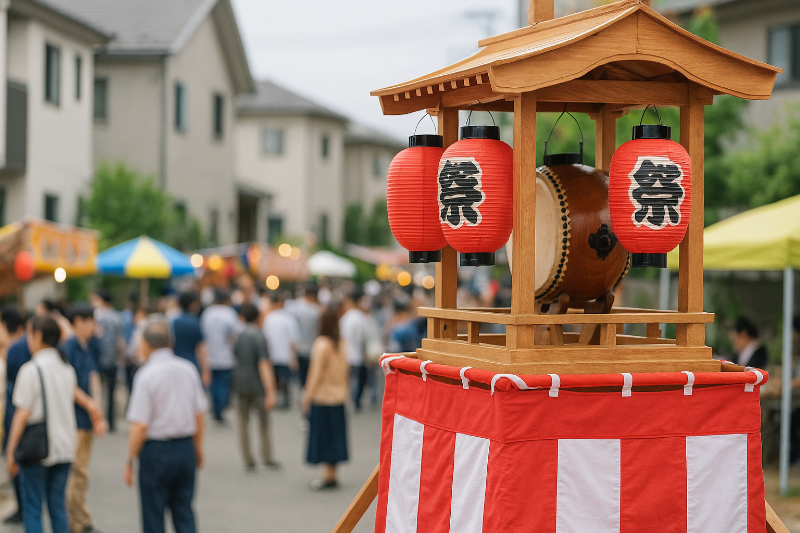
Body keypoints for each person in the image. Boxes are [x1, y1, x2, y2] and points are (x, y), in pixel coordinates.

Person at [5, 316, 103, 533]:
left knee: (32, 507)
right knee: (57, 506)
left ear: (38, 336)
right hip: (65, 448)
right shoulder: (66, 368)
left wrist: (11, 451)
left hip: (37, 450)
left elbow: (21, 415)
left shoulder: (30, 370)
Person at [124, 315, 207, 533]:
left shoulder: (145, 375)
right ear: (171, 342)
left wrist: (130, 458)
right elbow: (199, 414)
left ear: (145, 343)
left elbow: (139, 425)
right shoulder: (188, 369)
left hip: (156, 451)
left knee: (153, 515)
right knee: (184, 511)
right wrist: (198, 447)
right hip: (184, 447)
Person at [62, 303, 105, 533]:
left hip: (86, 416)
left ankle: (82, 518)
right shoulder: (68, 347)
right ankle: (77, 522)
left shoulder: (86, 345)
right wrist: (90, 404)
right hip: (75, 418)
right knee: (77, 472)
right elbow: (68, 383)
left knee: (82, 471)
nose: (93, 326)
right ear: (77, 321)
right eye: (89, 320)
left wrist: (96, 406)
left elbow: (93, 375)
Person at [302, 308, 349, 490]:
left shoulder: (321, 344)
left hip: (322, 396)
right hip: (339, 396)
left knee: (323, 437)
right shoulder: (341, 343)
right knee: (335, 437)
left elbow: (315, 374)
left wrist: (307, 395)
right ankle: (333, 473)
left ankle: (327, 476)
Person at [233, 303, 278, 471]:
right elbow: (264, 363)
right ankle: (267, 457)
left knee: (242, 422)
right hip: (258, 384)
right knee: (264, 422)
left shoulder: (239, 335)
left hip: (240, 381)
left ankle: (248, 459)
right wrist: (271, 390)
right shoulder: (260, 336)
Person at [1, 306, 26, 525]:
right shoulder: (23, 345)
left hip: (13, 409)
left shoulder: (13, 349)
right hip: (18, 409)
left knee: (14, 455)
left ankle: (22, 507)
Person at [200, 289, 241, 422]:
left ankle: (216, 409)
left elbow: (203, 334)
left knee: (213, 383)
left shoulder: (208, 313)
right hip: (226, 355)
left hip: (209, 354)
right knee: (223, 383)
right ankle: (221, 408)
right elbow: (234, 335)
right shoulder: (229, 313)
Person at [91, 290, 124, 432]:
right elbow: (120, 342)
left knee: (96, 390)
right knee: (111, 393)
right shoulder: (117, 318)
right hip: (112, 360)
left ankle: (97, 420)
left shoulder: (96, 317)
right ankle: (111, 422)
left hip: (98, 359)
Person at [262, 292, 300, 409]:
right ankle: (284, 400)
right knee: (284, 379)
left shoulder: (269, 318)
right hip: (284, 355)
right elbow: (293, 341)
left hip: (273, 354)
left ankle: (277, 399)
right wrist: (294, 357)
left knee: (275, 379)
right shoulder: (288, 319)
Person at [172, 292, 210, 387]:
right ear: (193, 304)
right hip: (192, 364)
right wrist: (206, 371)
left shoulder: (173, 322)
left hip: (175, 364)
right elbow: (201, 348)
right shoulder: (195, 322)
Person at [340, 288, 368, 410]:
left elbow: (342, 338)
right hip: (359, 354)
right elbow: (365, 338)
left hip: (346, 354)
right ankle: (356, 400)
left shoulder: (345, 318)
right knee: (359, 380)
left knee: (347, 379)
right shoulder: (363, 317)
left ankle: (347, 399)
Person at [289, 284, 321, 389]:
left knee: (302, 377)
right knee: (311, 376)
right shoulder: (317, 310)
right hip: (313, 348)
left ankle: (304, 395)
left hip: (299, 347)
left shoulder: (295, 307)